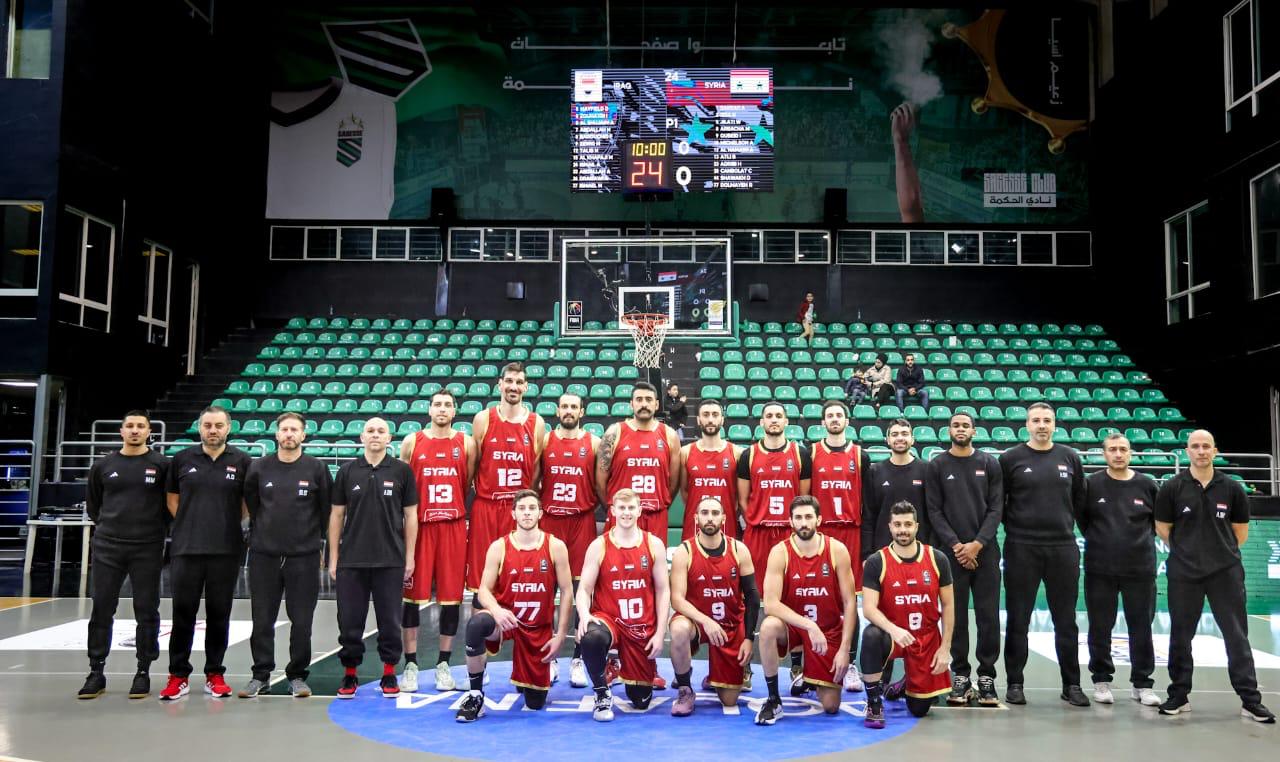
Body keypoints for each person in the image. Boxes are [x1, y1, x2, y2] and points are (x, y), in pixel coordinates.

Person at [1155, 430, 1274, 722]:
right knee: (1181, 636)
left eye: (1206, 446)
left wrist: (1218, 554)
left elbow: (1240, 533)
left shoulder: (1232, 488)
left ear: (1215, 451)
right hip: (1184, 573)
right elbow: (1163, 528)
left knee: (1236, 636)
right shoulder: (1172, 487)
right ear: (1187, 451)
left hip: (1225, 573)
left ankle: (1250, 700)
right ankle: (1179, 695)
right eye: (1195, 446)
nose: (1201, 451)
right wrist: (1188, 552)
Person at [160, 405, 253, 701]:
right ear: (200, 428)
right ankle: (178, 675)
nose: (213, 430)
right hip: (187, 548)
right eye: (208, 425)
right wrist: (191, 522)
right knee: (182, 613)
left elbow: (246, 504)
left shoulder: (242, 461)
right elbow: (172, 499)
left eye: (218, 425)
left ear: (229, 428)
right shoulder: (182, 459)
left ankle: (215, 673)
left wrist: (225, 523)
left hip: (226, 549)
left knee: (219, 614)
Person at [456, 490, 573, 721]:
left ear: (540, 513)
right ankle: (475, 695)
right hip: (506, 620)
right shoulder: (499, 547)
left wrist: (560, 635)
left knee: (535, 703)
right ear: (513, 514)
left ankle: (530, 673)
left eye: (532, 508)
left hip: (538, 627)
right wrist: (497, 611)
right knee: (476, 625)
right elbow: (483, 590)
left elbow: (568, 591)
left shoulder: (555, 546)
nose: (527, 513)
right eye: (522, 508)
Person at [999, 403, 1089, 707]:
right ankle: (1015, 683)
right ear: (1026, 425)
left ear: (1054, 425)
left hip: (1062, 548)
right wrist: (1018, 526)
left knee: (1066, 620)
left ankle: (1071, 684)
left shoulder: (1070, 457)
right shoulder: (1010, 459)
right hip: (1021, 547)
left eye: (1047, 420)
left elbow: (1080, 500)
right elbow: (999, 503)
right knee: (1018, 619)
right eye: (1036, 420)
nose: (1041, 425)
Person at [239, 412, 332, 698]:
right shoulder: (258, 467)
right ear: (277, 434)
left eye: (294, 429)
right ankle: (260, 675)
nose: (289, 434)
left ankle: (297, 676)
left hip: (303, 556)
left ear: (304, 435)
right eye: (285, 429)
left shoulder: (317, 468)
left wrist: (318, 546)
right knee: (262, 620)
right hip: (264, 556)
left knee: (301, 621)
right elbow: (252, 505)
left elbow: (326, 511)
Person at [78, 411, 170, 700]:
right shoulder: (103, 465)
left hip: (147, 546)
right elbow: (94, 506)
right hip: (108, 547)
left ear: (149, 432)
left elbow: (169, 505)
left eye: (140, 426)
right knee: (102, 607)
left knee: (146, 609)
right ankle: (96, 671)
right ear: (121, 431)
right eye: (130, 426)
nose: (135, 430)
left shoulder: (162, 465)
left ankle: (143, 670)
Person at [329, 417, 418, 699]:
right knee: (349, 622)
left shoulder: (402, 471)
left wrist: (410, 557)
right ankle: (350, 674)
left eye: (381, 431)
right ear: (362, 437)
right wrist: (333, 557)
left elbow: (411, 516)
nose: (375, 435)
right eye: (370, 431)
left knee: (390, 622)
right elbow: (337, 515)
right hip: (352, 560)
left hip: (390, 560)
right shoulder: (347, 471)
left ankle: (389, 673)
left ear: (389, 438)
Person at [753, 496, 857, 725]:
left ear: (818, 520)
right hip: (795, 627)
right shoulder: (780, 552)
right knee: (768, 627)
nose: (803, 522)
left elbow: (850, 603)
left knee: (831, 706)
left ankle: (809, 676)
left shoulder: (836, 550)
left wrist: (845, 652)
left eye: (808, 517)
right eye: (798, 518)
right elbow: (770, 604)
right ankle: (773, 699)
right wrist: (809, 625)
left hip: (827, 629)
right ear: (791, 521)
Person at [398, 390, 476, 692]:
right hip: (420, 526)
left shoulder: (466, 443)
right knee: (411, 598)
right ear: (429, 410)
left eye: (447, 405)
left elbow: (467, 482)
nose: (442, 409)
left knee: (451, 599)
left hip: (453, 527)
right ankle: (411, 665)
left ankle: (444, 663)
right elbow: (404, 484)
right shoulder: (412, 441)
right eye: (437, 404)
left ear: (454, 411)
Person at [926, 412, 1003, 707]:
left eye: (965, 425)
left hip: (985, 552)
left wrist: (977, 544)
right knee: (954, 616)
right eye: (956, 425)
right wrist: (958, 546)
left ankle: (986, 676)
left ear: (974, 431)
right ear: (949, 430)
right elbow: (934, 511)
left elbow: (996, 509)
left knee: (988, 617)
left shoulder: (989, 463)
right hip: (951, 554)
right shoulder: (937, 465)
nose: (960, 429)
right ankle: (960, 674)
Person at [575, 489, 671, 722]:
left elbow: (663, 590)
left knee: (640, 700)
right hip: (609, 619)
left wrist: (660, 633)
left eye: (631, 508)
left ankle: (621, 664)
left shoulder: (654, 544)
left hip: (640, 625)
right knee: (591, 636)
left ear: (639, 511)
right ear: (613, 511)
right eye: (621, 508)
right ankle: (601, 692)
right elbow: (584, 589)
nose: (626, 513)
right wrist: (584, 615)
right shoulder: (599, 545)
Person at [860, 501, 954, 729]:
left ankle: (906, 682)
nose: (903, 530)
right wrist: (893, 629)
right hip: (893, 634)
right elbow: (869, 608)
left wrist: (945, 649)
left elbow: (949, 605)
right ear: (890, 527)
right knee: (871, 635)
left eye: (908, 524)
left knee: (919, 710)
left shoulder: (937, 558)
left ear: (916, 526)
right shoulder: (877, 561)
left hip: (926, 637)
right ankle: (874, 702)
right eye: (898, 524)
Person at [1080, 432, 1159, 706]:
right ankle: (1101, 680)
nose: (1118, 454)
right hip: (1100, 569)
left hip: (1140, 569)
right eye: (1112, 449)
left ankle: (1142, 684)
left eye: (1123, 449)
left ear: (1130, 453)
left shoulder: (1147, 485)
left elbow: (1156, 524)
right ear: (1104, 454)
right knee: (1100, 627)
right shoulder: (1091, 485)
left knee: (1142, 627)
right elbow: (1083, 520)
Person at [668, 497, 760, 714]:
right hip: (697, 621)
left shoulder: (739, 549)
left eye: (715, 513)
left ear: (724, 518)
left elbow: (752, 596)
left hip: (730, 623)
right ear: (696, 518)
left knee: (729, 701)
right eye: (705, 513)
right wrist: (706, 621)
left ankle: (715, 676)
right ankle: (685, 689)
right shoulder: (684, 551)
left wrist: (749, 638)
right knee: (679, 629)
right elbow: (677, 599)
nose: (710, 518)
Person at [538, 392, 600, 688]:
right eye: (564, 406)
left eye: (574, 407)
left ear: (582, 412)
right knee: (546, 592)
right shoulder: (544, 441)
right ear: (557, 410)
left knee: (581, 593)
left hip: (581, 521)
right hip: (551, 520)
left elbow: (600, 484)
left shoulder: (594, 443)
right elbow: (534, 480)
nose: (569, 411)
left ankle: (577, 658)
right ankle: (549, 658)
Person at [808, 400, 870, 692]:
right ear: (823, 422)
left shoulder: (860, 455)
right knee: (817, 597)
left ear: (847, 421)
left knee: (850, 601)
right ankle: (811, 663)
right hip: (821, 534)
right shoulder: (811, 453)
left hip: (850, 532)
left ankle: (851, 663)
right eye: (829, 416)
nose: (834, 419)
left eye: (838, 415)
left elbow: (867, 501)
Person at [468, 362, 545, 594]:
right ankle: (482, 618)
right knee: (481, 579)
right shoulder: (483, 419)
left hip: (517, 509)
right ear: (500, 384)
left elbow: (535, 470)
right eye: (509, 381)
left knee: (516, 576)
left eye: (519, 382)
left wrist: (525, 504)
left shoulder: (537, 423)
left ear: (526, 387)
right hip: (487, 506)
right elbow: (474, 465)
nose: (514, 386)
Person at [598, 381, 681, 537]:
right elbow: (600, 482)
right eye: (639, 399)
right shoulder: (614, 432)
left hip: (655, 515)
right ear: (631, 404)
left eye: (649, 400)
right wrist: (614, 507)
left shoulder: (670, 435)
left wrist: (660, 505)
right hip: (622, 515)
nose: (644, 404)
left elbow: (674, 483)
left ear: (657, 404)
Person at [864, 418, 929, 556]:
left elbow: (933, 513)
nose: (900, 438)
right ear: (888, 440)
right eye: (895, 434)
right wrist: (867, 553)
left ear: (912, 439)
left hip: (920, 550)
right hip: (883, 551)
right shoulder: (875, 471)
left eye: (904, 434)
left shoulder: (927, 470)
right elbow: (868, 516)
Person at [679, 399, 740, 542]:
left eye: (715, 414)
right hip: (694, 526)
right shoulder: (686, 452)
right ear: (698, 420)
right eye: (706, 415)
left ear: (722, 419)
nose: (711, 419)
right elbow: (685, 492)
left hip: (726, 525)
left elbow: (739, 497)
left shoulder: (736, 452)